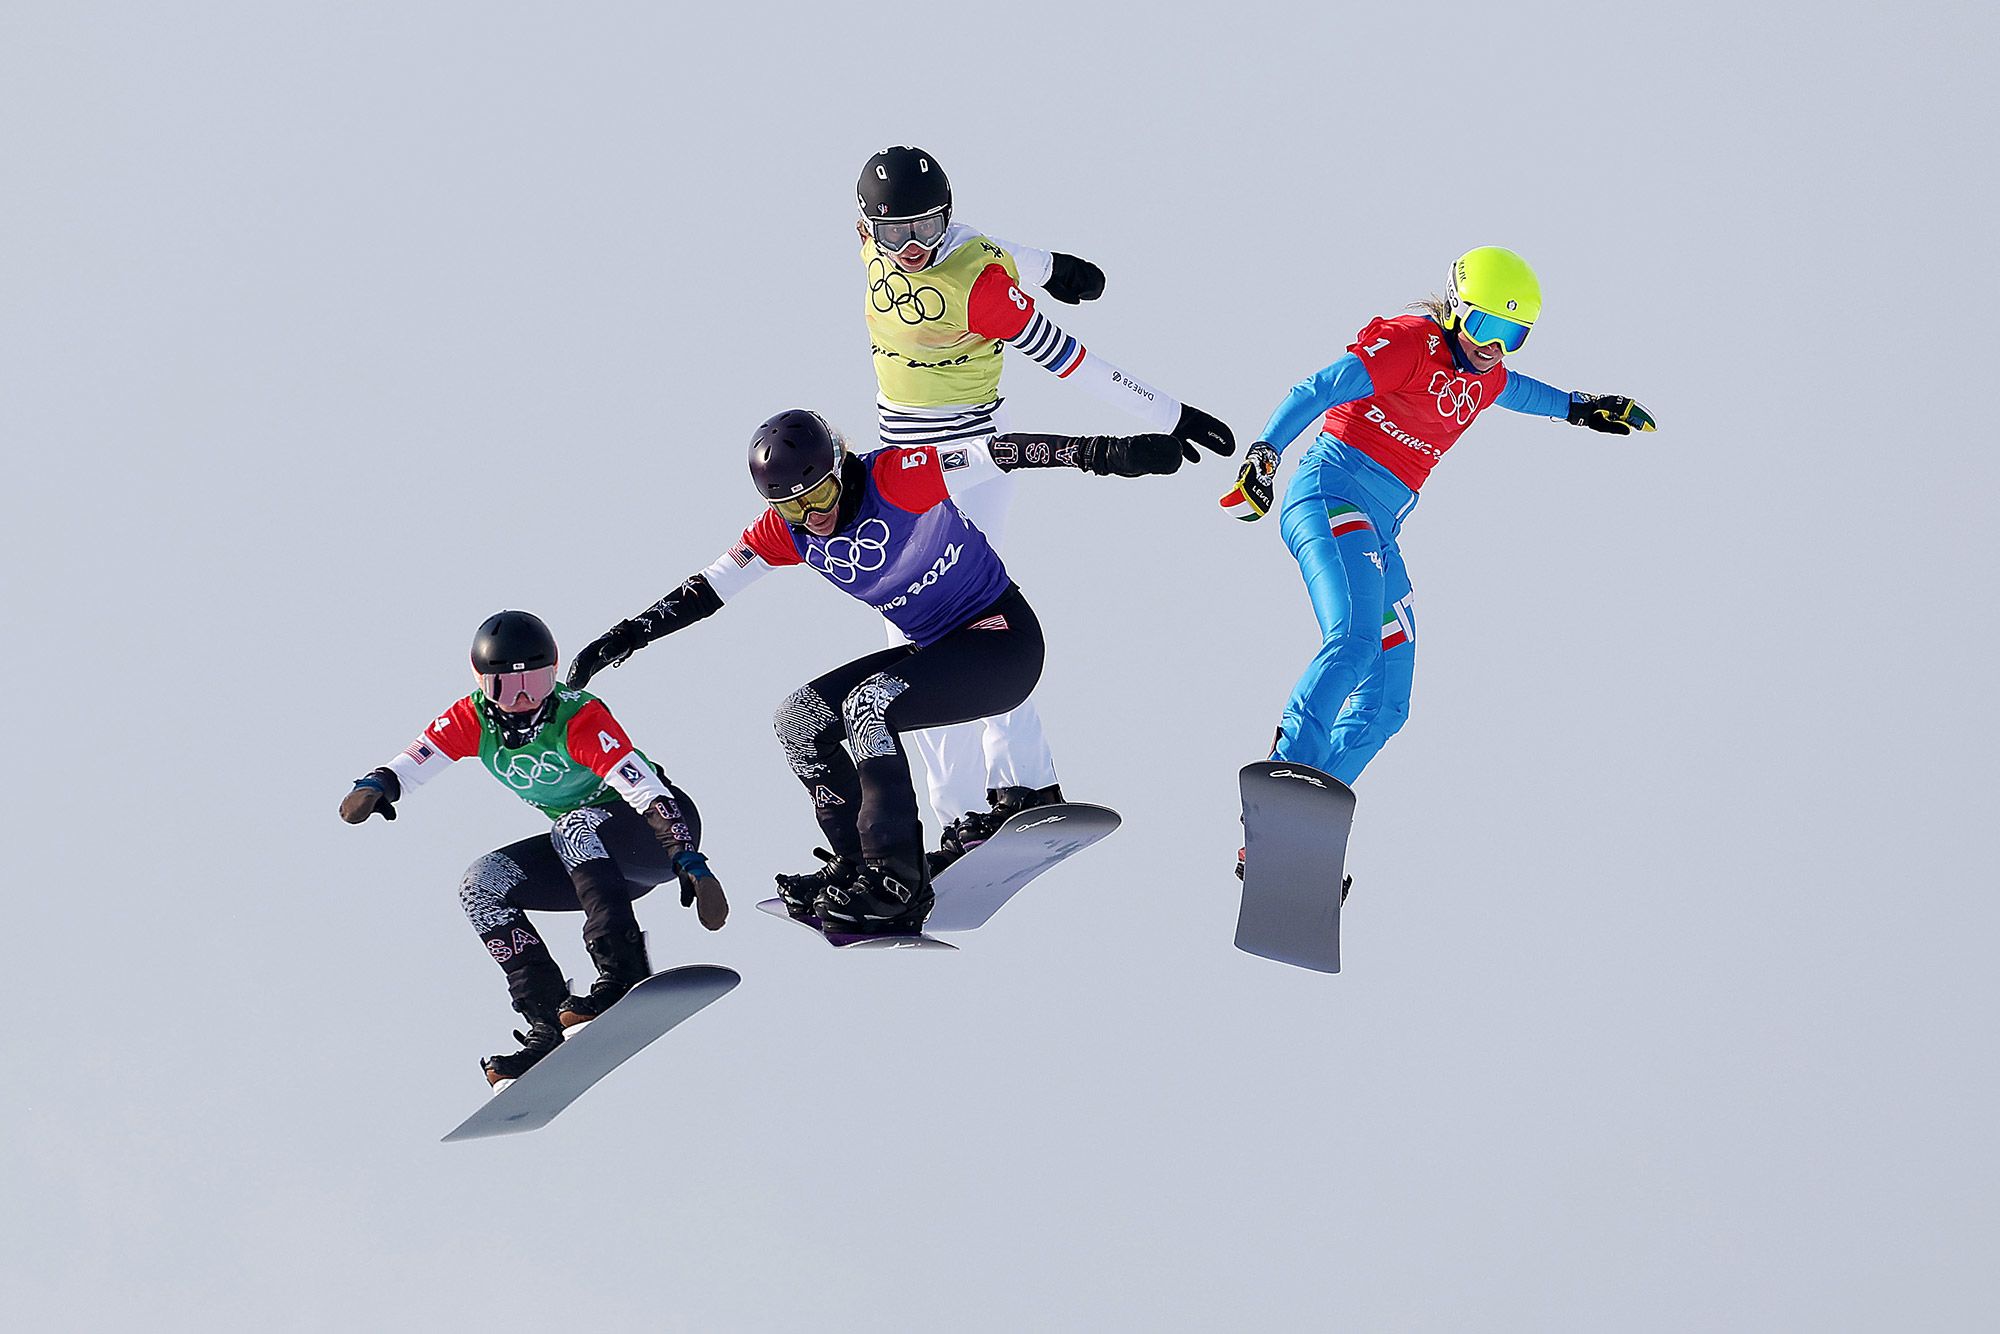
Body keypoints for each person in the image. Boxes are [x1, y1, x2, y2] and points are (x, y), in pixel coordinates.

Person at [566, 409, 1200, 936]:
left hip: (1000, 644)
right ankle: (857, 865)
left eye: (818, 495)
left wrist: (1107, 452)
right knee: (799, 718)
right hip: (936, 653)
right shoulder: (785, 531)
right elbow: (707, 588)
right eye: (791, 507)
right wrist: (623, 638)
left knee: (870, 705)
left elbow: (1002, 452)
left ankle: (896, 880)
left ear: (841, 467)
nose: (812, 516)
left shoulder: (895, 476)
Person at [856, 145, 1237, 870]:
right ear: (865, 226)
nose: (911, 248)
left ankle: (980, 806)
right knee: (945, 633)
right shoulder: (883, 245)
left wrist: (1169, 416)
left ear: (946, 216)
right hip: (902, 468)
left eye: (926, 228)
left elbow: (1075, 361)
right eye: (893, 232)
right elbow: (989, 243)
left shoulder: (981, 288)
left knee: (934, 635)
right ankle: (1010, 789)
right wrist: (1053, 264)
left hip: (969, 461)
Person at [1220, 246, 1656, 846]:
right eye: (1484, 325)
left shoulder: (1487, 374)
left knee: (1388, 703)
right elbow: (1319, 388)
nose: (1493, 347)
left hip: (1379, 529)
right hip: (1331, 494)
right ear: (1455, 308)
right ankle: (1284, 780)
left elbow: (1518, 391)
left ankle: (1299, 830)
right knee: (1354, 642)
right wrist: (1265, 454)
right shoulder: (1409, 344)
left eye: (1512, 335)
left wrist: (1581, 408)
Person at [339, 611, 728, 1087]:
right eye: (507, 688)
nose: (524, 700)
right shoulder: (471, 720)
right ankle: (548, 1019)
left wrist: (688, 858)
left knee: (573, 824)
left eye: (538, 682)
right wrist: (376, 785)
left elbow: (645, 789)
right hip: (592, 861)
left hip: (650, 836)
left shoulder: (577, 717)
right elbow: (413, 762)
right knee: (482, 883)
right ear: (482, 684)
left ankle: (622, 969)